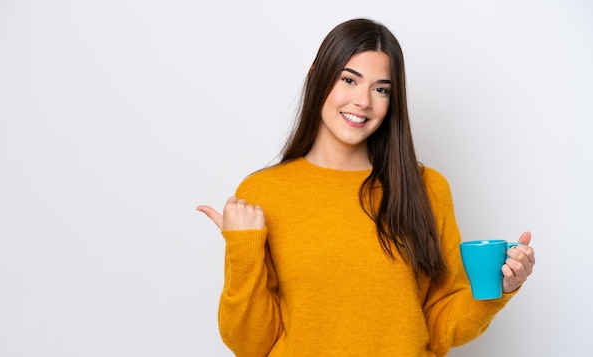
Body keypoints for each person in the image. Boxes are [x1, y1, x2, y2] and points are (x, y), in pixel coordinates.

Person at [196, 18, 535, 357]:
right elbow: (250, 344)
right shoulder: (262, 193)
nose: (363, 101)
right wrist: (244, 248)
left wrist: (499, 288)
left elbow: (439, 323)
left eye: (381, 89)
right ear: (317, 77)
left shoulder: (427, 188)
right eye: (349, 80)